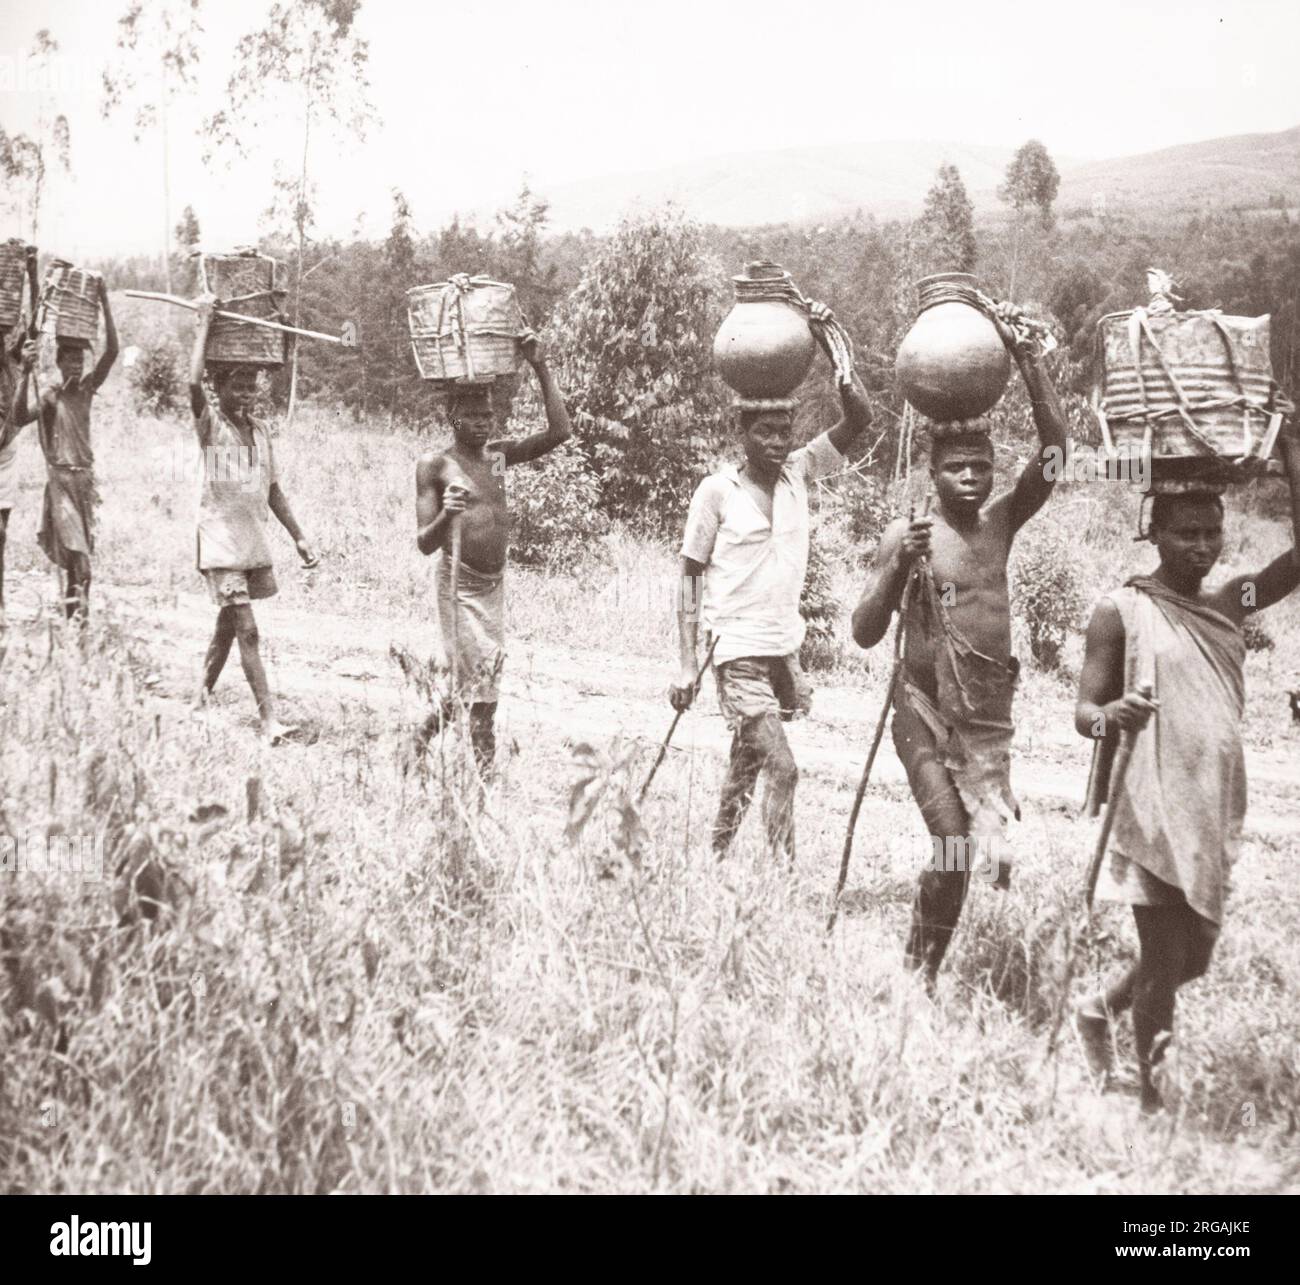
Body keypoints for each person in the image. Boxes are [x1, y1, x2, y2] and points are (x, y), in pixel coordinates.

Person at [1073, 434, 1300, 1113]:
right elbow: (1083, 714)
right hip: (1148, 804)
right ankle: (1153, 1097)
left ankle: (1097, 1008)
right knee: (1166, 959)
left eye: (1211, 532)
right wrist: (1113, 712)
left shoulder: (1233, 603)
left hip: (1210, 803)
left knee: (1195, 952)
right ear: (1156, 535)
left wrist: (1290, 455)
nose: (1202, 546)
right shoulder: (1121, 610)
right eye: (1186, 533)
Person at [850, 315, 1066, 987]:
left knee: (964, 856)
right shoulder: (909, 535)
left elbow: (1057, 453)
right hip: (920, 714)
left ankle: (924, 966)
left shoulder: (1001, 524)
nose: (970, 476)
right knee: (949, 839)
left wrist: (1030, 365)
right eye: (956, 466)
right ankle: (916, 975)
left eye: (981, 465)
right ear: (932, 470)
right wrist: (896, 568)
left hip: (984, 725)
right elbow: (862, 629)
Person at [671, 302, 871, 864]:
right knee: (785, 766)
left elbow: (860, 422)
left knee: (750, 759)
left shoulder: (800, 473)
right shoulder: (717, 492)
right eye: (765, 431)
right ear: (743, 433)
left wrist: (839, 358)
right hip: (734, 653)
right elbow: (687, 576)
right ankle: (781, 878)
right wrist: (688, 663)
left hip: (782, 648)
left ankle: (714, 854)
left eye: (785, 430)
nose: (778, 442)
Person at [414, 333, 572, 772]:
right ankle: (485, 776)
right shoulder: (436, 466)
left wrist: (540, 365)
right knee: (482, 693)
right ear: (451, 416)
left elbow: (560, 432)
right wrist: (447, 514)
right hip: (458, 587)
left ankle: (418, 739)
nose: (483, 423)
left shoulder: (498, 458)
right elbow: (425, 544)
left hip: (492, 586)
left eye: (488, 414)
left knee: (478, 683)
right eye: (472, 415)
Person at [188, 295, 318, 742]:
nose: (245, 393)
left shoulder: (261, 432)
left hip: (251, 543)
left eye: (251, 385)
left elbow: (274, 489)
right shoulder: (211, 426)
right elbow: (190, 385)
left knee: (227, 626)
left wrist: (299, 537)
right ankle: (268, 721)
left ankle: (199, 699)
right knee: (247, 628)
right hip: (221, 542)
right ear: (219, 388)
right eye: (236, 385)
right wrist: (205, 324)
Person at [10, 274, 118, 619]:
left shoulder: (86, 390)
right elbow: (18, 417)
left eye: (80, 360)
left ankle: (74, 631)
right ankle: (78, 629)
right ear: (58, 363)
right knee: (83, 566)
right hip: (61, 484)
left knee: (77, 568)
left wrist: (103, 300)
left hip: (85, 483)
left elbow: (112, 351)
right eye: (69, 360)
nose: (76, 365)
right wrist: (25, 373)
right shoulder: (50, 395)